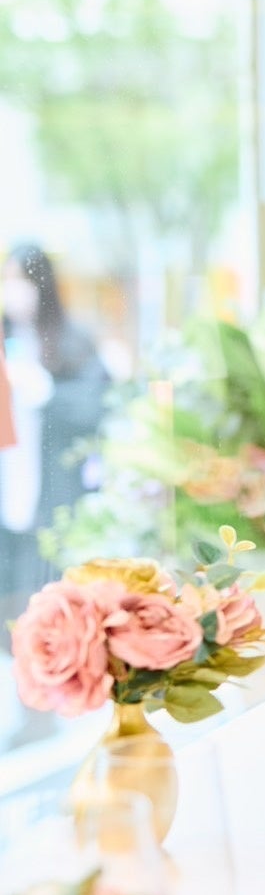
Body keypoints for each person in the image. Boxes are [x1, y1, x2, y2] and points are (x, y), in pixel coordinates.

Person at [1, 243, 108, 623]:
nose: (14, 289)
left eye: (22, 279)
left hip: (55, 498)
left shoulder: (71, 340)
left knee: (49, 605)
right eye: (8, 279)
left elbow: (99, 405)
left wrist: (48, 394)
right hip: (9, 489)